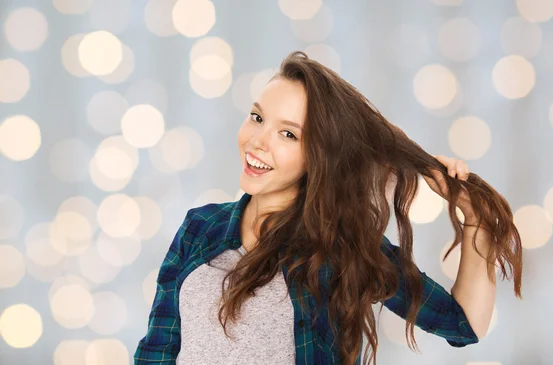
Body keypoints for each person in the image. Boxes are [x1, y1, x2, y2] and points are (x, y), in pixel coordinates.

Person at [134, 51, 523, 365]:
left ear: (318, 156)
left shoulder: (342, 249)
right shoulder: (200, 227)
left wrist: (477, 223)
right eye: (257, 117)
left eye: (288, 134)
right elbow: (157, 350)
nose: (257, 141)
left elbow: (464, 324)